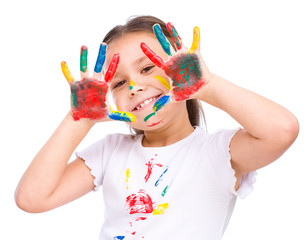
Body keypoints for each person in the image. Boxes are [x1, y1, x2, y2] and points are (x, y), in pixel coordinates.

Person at [15, 15, 299, 240]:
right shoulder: (111, 152)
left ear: (179, 70)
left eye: (148, 68)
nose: (135, 87)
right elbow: (32, 198)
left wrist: (207, 86)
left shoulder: (217, 153)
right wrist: (79, 120)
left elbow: (282, 130)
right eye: (119, 83)